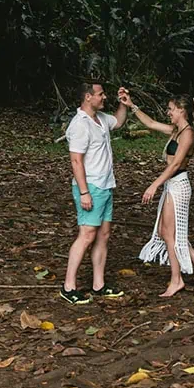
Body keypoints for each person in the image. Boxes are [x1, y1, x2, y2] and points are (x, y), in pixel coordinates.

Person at [120, 88, 194, 297]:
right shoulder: (176, 130)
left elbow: (176, 164)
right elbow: (151, 123)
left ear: (181, 110)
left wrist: (154, 185)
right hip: (172, 185)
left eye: (171, 109)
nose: (168, 112)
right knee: (165, 232)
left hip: (178, 185)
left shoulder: (188, 134)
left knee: (169, 234)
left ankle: (176, 280)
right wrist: (131, 105)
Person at [60, 81, 129, 305]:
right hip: (90, 186)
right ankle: (68, 286)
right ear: (88, 97)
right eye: (100, 94)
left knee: (103, 235)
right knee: (87, 235)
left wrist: (123, 103)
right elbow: (76, 161)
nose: (104, 97)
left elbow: (118, 121)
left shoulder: (100, 119)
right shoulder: (80, 124)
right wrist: (84, 192)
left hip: (106, 185)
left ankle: (98, 284)